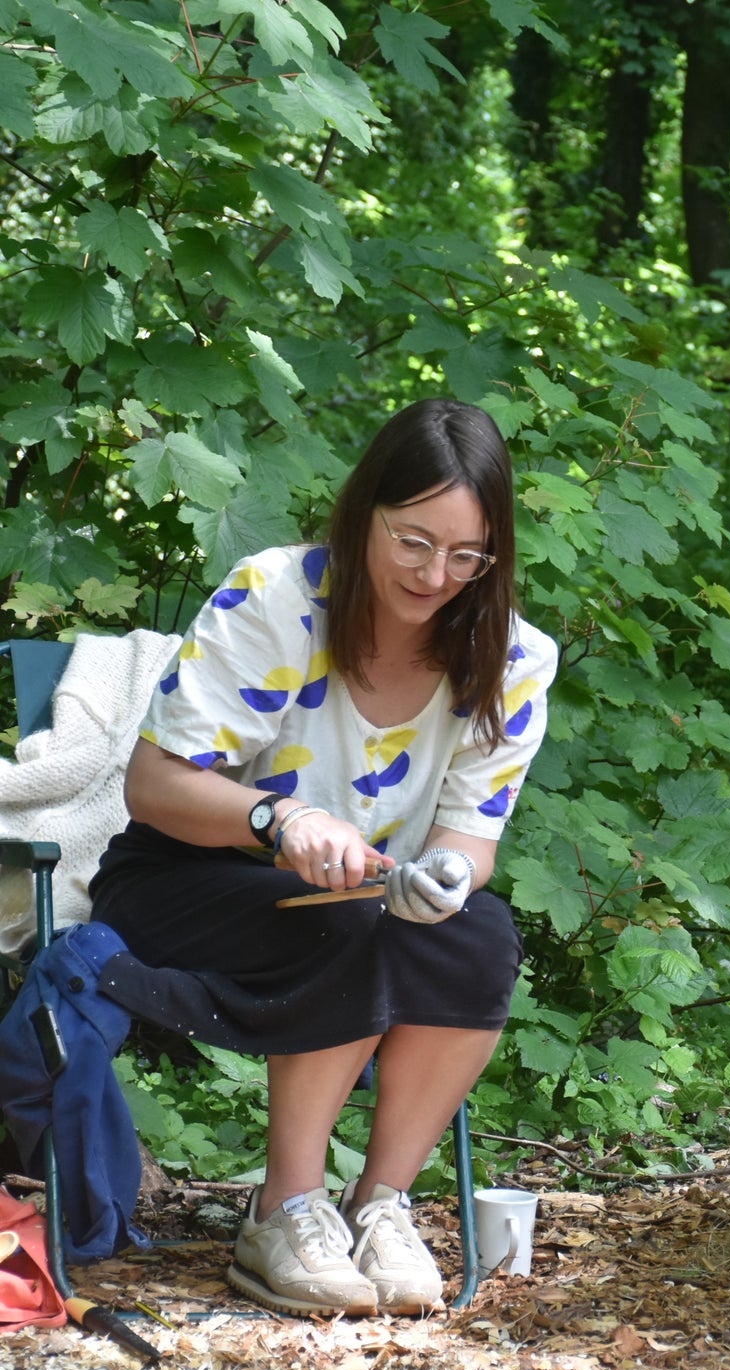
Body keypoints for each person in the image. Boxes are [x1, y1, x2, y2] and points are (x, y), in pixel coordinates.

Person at [88, 398, 558, 1318]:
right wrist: (278, 821)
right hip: (186, 874)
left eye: (468, 556)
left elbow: (473, 838)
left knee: (480, 937)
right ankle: (284, 1206)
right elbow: (154, 785)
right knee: (351, 921)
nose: (436, 575)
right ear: (362, 515)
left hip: (363, 887)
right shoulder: (277, 597)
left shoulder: (510, 657)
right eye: (413, 541)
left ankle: (380, 1204)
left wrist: (449, 878)